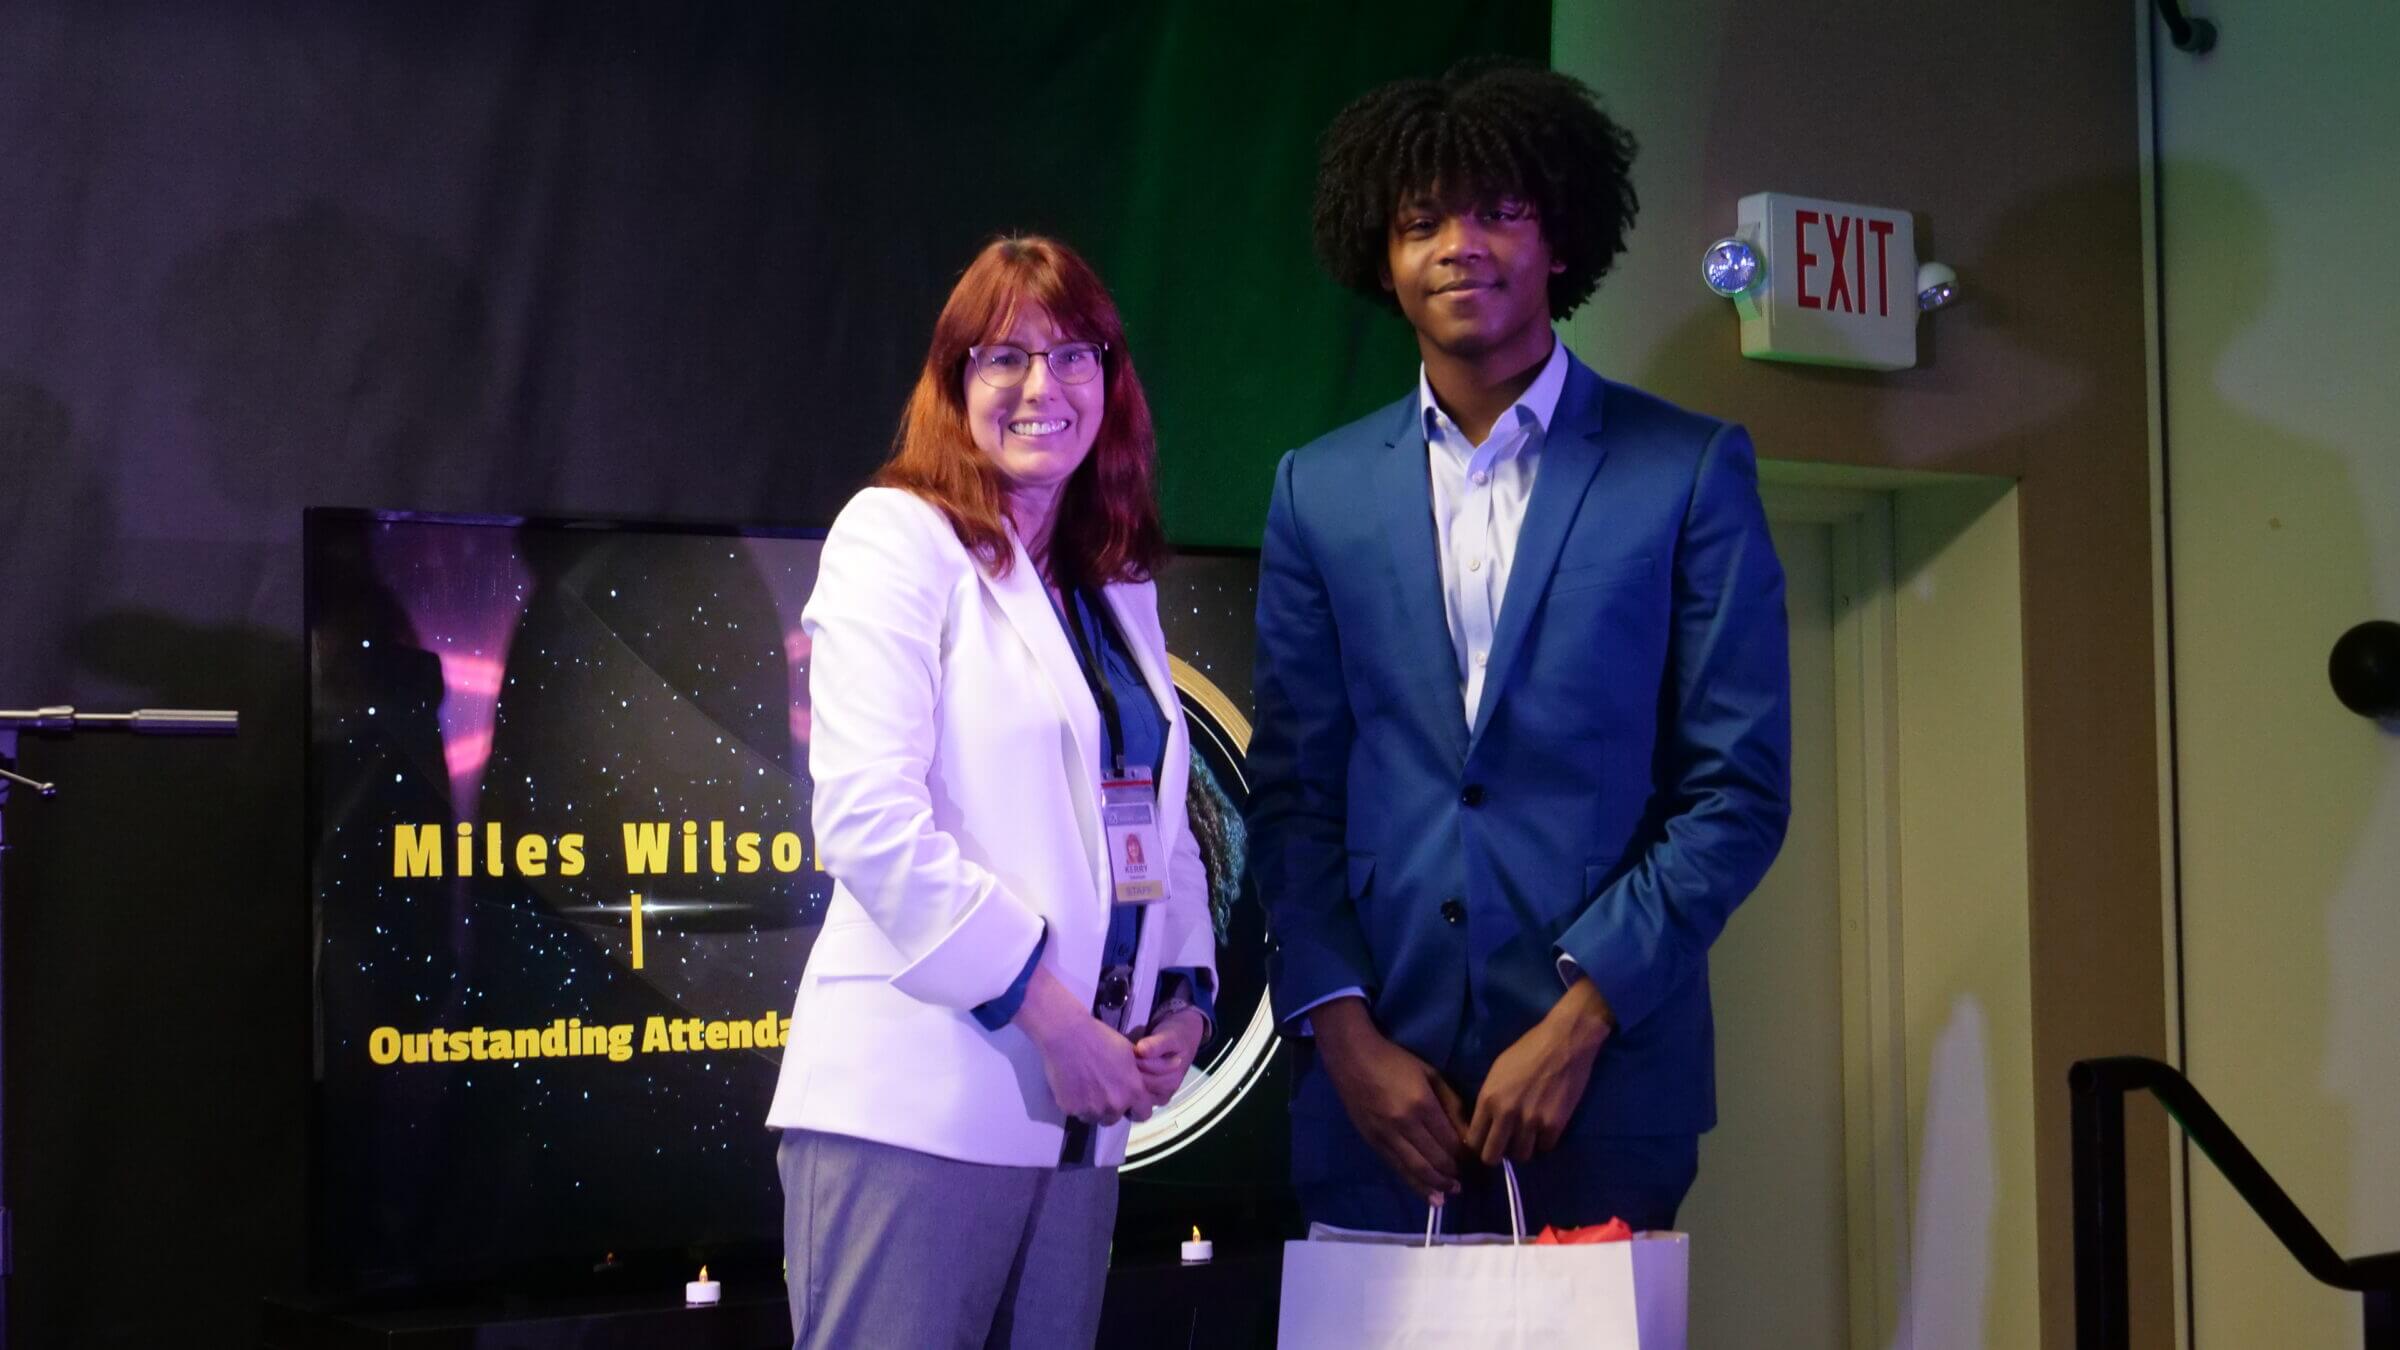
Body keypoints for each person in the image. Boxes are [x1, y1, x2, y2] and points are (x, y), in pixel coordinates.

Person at [1247, 60, 1791, 1239]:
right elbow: (1292, 797)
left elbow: (1737, 791)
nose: (1460, 246)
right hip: (1373, 1105)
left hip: (1607, 1094)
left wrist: (1583, 1018)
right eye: (1421, 221)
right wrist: (1343, 1036)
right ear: (1381, 256)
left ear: (1561, 240)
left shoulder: (1688, 470)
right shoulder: (1315, 490)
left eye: (1499, 211)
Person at [767, 236, 1217, 1348]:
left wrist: (1183, 1003)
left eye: (1072, 357)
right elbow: (869, 821)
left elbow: (1159, 821)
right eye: (1004, 357)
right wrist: (1057, 1021)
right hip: (918, 1106)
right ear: (954, 381)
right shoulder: (897, 536)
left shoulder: (1115, 580)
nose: (1039, 387)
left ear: (1110, 382)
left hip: (1081, 1129)